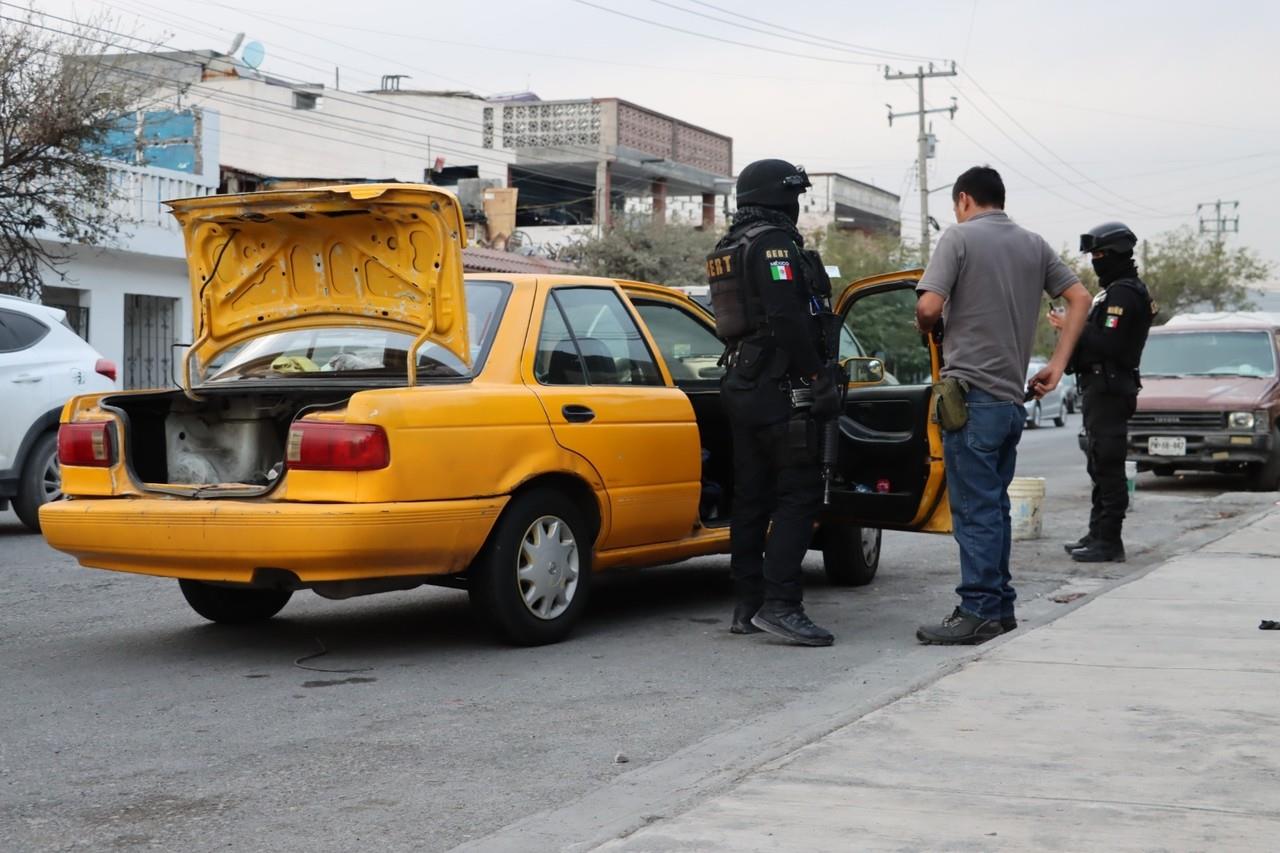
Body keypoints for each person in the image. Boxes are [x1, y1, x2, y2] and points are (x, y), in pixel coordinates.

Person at [914, 166, 1093, 645]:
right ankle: (1000, 608)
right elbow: (1080, 297)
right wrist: (1057, 363)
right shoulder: (1033, 244)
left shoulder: (960, 237)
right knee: (991, 510)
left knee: (973, 513)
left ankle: (976, 610)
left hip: (970, 399)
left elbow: (929, 307)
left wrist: (925, 326)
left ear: (964, 199)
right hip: (1012, 403)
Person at [707, 158, 843, 647]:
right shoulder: (772, 243)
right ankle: (782, 606)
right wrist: (817, 376)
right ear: (777, 196)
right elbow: (787, 316)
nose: (799, 205)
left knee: (752, 496)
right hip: (778, 382)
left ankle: (748, 605)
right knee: (797, 493)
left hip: (745, 380)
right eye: (795, 196)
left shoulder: (731, 244)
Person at [1052, 222, 1155, 563]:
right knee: (1097, 464)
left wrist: (1072, 326)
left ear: (1117, 254)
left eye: (1099, 255)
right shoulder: (1111, 292)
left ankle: (1109, 541)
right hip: (1099, 389)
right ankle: (1097, 533)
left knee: (1108, 467)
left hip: (1111, 390)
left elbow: (1109, 344)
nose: (1095, 261)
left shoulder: (1124, 294)